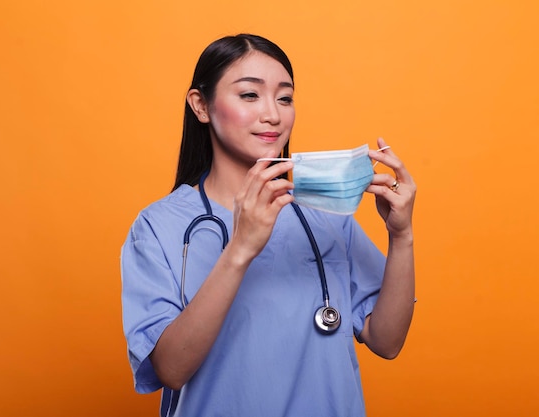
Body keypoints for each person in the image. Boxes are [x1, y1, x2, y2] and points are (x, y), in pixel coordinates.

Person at [121, 33, 416, 416]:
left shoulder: (324, 215)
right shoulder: (158, 226)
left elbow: (387, 341)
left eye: (285, 97)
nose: (273, 115)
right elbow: (172, 369)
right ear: (201, 106)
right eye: (249, 95)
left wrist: (402, 236)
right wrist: (241, 248)